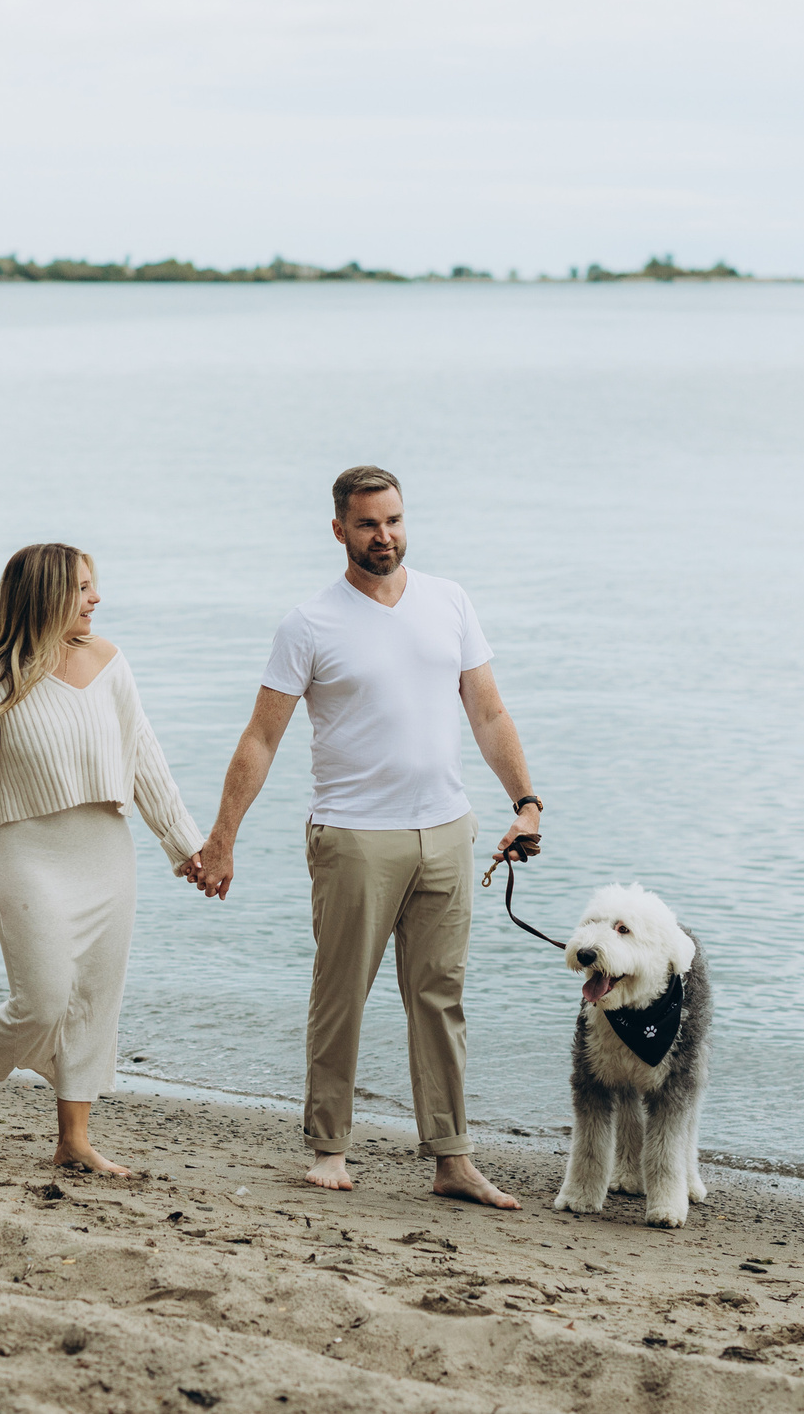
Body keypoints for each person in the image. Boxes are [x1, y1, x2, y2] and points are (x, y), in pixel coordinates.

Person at [183, 466, 543, 1208]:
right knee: (341, 992)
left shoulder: (450, 601)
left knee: (441, 996)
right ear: (340, 529)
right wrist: (223, 838)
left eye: (395, 520)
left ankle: (452, 1157)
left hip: (447, 830)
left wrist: (526, 802)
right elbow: (261, 738)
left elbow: (489, 712)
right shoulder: (309, 623)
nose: (386, 536)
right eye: (369, 524)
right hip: (353, 836)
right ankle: (329, 1148)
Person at [0, 542, 204, 1175]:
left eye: (94, 586)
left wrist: (187, 847)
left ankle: (74, 1140)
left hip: (108, 853)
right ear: (47, 594)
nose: (96, 598)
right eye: (83, 587)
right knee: (46, 998)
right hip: (32, 857)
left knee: (94, 1000)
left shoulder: (111, 662)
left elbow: (145, 762)